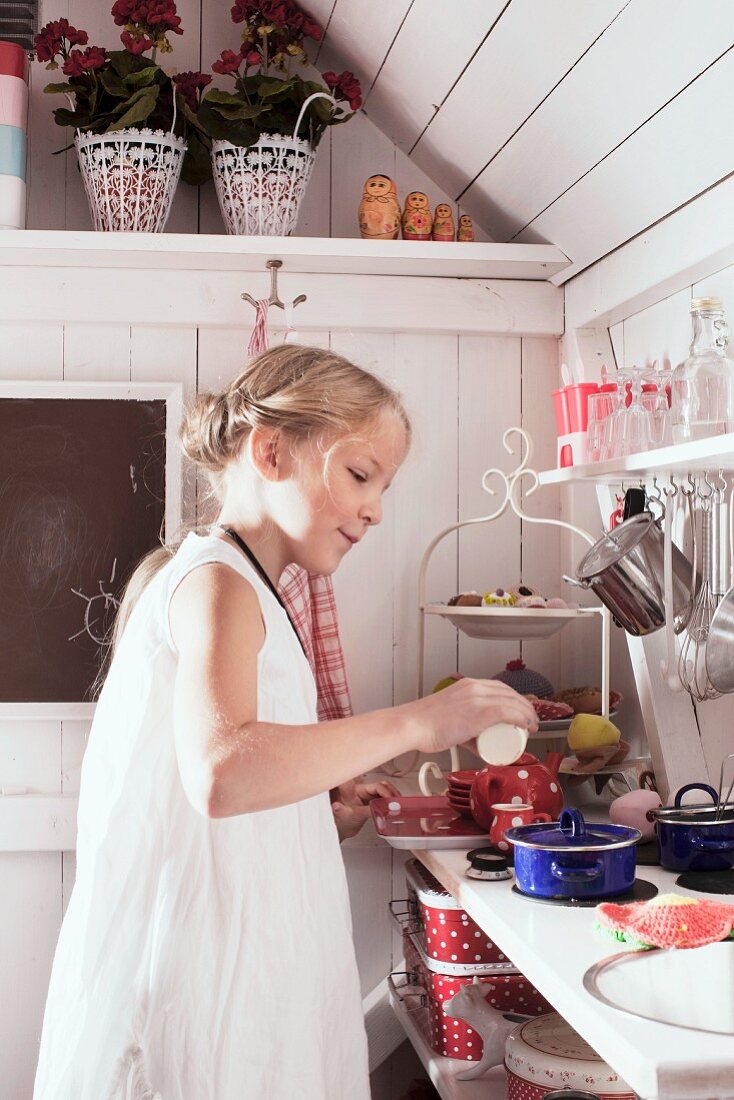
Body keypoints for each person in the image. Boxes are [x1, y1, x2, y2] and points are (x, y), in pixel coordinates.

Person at [33, 345, 538, 1100]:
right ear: (270, 452)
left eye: (385, 487)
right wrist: (418, 721)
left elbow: (227, 788)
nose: (375, 508)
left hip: (239, 970)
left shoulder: (249, 586)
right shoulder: (217, 584)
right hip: (197, 990)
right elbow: (223, 771)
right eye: (359, 475)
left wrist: (315, 808)